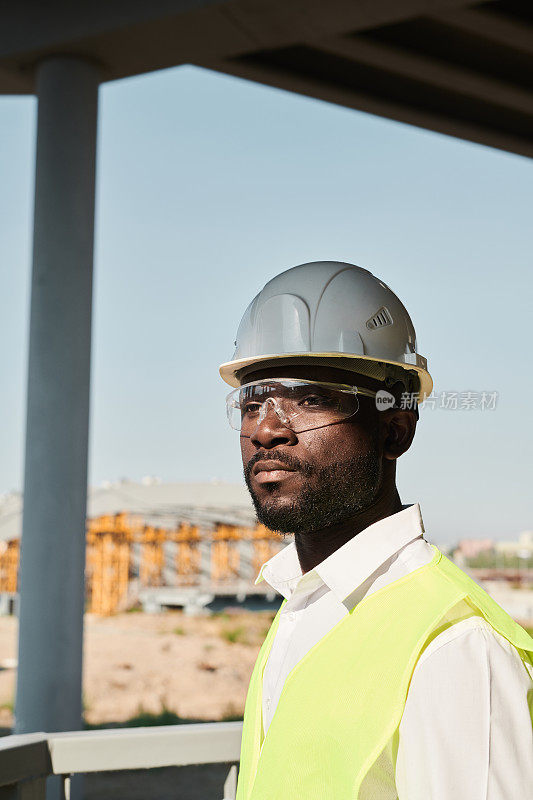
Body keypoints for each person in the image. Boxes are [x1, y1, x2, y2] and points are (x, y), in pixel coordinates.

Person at [219, 261, 533, 800]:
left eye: (311, 398)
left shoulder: (456, 651)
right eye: (252, 402)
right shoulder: (303, 606)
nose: (267, 429)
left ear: (395, 429)